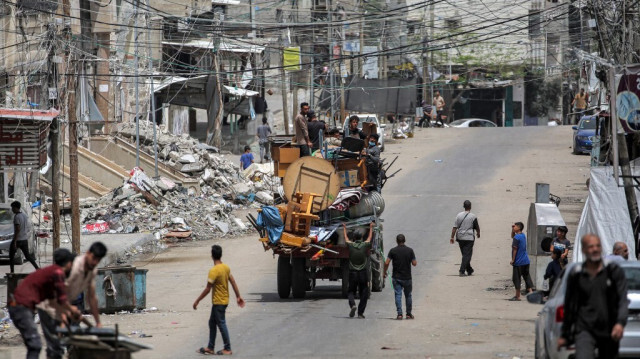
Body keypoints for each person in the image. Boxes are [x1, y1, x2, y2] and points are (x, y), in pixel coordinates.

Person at [558, 234, 629, 358]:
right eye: (591, 247)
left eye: (597, 246)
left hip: (609, 330)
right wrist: (565, 334)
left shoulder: (613, 271)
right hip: (585, 329)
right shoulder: (577, 274)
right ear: (584, 250)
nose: (595, 249)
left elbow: (622, 300)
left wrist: (619, 323)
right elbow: (570, 306)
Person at [37, 242, 108, 359]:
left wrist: (98, 322)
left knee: (73, 343)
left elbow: (92, 297)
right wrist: (64, 316)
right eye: (94, 258)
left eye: (98, 260)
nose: (95, 262)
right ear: (88, 254)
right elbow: (58, 294)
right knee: (55, 346)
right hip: (48, 306)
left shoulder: (92, 270)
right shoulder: (72, 267)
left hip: (67, 306)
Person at [9, 248, 80, 359]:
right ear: (69, 263)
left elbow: (53, 300)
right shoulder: (57, 272)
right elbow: (62, 299)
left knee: (52, 346)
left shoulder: (50, 272)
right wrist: (72, 309)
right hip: (20, 307)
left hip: (18, 306)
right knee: (35, 344)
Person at [193, 245, 245, 355]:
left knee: (221, 324)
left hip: (218, 302)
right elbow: (233, 281)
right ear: (220, 255)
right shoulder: (226, 267)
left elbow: (208, 289)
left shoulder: (214, 271)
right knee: (212, 323)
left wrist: (197, 300)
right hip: (224, 300)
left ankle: (228, 348)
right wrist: (238, 296)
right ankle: (210, 347)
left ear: (212, 255)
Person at [343, 222, 374, 319]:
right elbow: (369, 238)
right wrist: (371, 227)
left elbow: (346, 239)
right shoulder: (364, 245)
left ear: (354, 238)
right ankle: (360, 313)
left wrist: (344, 228)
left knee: (351, 291)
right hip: (363, 273)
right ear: (361, 238)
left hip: (353, 273)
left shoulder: (351, 245)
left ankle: (352, 305)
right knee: (364, 293)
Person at [384, 234, 417, 320]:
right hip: (407, 277)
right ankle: (409, 314)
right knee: (408, 295)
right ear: (404, 240)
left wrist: (384, 272)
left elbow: (387, 262)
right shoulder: (410, 251)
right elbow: (414, 263)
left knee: (398, 295)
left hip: (396, 277)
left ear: (397, 241)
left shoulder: (393, 251)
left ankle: (399, 314)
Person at [450, 200, 480, 276]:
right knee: (467, 255)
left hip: (460, 237)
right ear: (470, 206)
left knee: (465, 255)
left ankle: (469, 270)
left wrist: (452, 237)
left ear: (464, 206)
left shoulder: (459, 215)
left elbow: (454, 227)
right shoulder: (473, 216)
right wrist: (478, 233)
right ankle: (462, 271)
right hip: (469, 238)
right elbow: (477, 227)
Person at [9, 201, 39, 273]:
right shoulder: (24, 216)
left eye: (12, 208)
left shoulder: (16, 217)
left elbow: (17, 229)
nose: (12, 210)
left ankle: (12, 272)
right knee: (28, 256)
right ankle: (37, 268)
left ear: (16, 208)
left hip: (18, 239)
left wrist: (15, 241)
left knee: (11, 256)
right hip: (24, 239)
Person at [510, 222, 534, 301]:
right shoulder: (523, 235)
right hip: (526, 261)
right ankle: (531, 293)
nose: (514, 227)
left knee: (516, 278)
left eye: (515, 226)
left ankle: (518, 296)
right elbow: (512, 236)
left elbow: (515, 249)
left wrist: (513, 260)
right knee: (526, 277)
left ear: (519, 228)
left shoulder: (517, 238)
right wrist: (512, 230)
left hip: (518, 261)